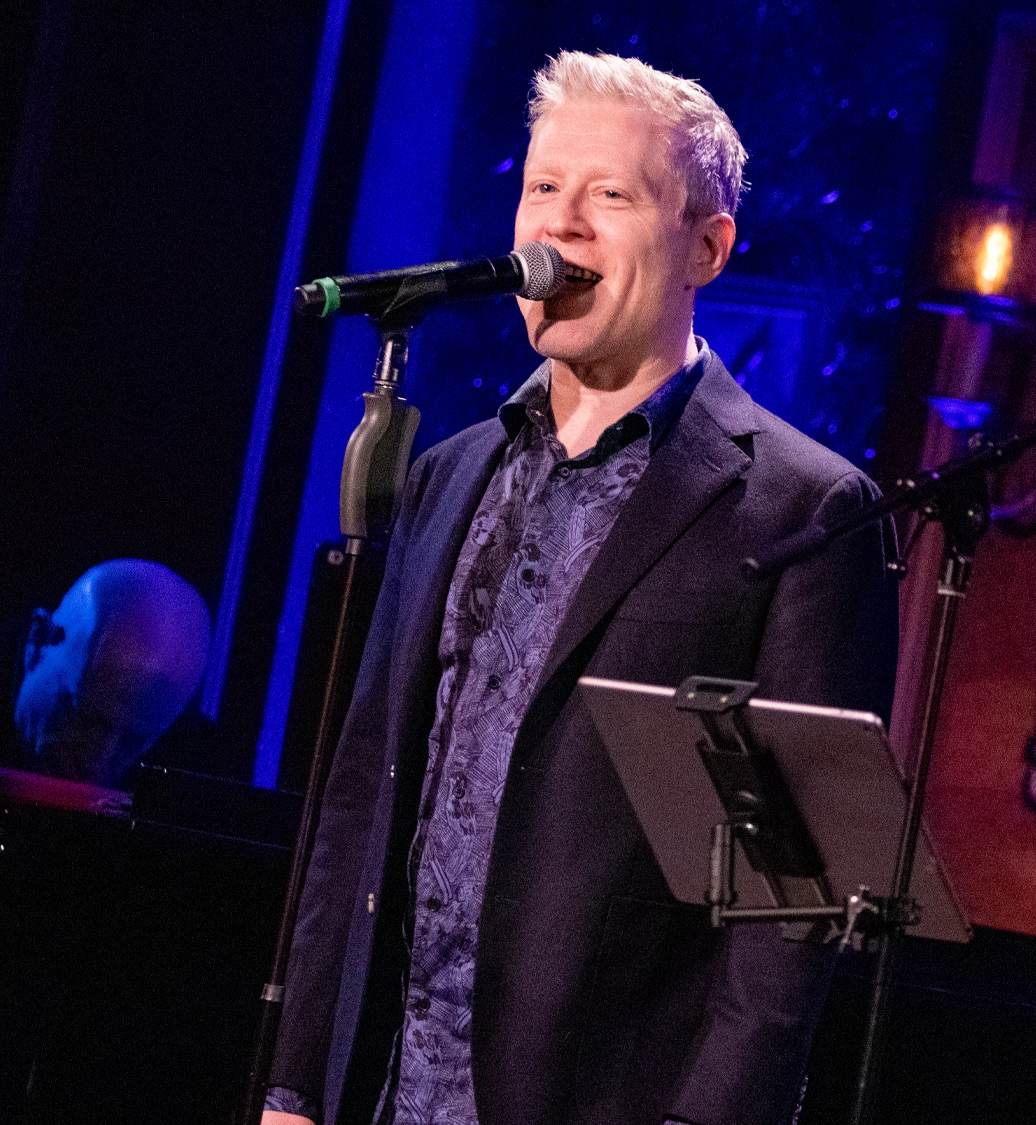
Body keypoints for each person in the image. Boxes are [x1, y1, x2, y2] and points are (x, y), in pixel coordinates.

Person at [263, 52, 897, 1125]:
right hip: (384, 1089)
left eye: (611, 195)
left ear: (707, 245)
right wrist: (296, 1081)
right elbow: (362, 793)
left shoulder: (803, 509)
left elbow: (794, 903)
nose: (562, 227)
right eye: (543, 189)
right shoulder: (446, 474)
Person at [0, 558, 213, 788]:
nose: (97, 760)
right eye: (88, 719)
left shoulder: (195, 771)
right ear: (37, 642)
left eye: (134, 741)